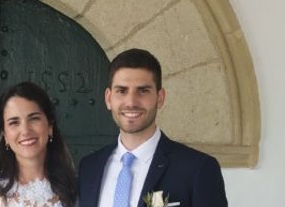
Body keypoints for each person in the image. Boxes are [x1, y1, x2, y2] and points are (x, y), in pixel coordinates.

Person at [78, 48, 227, 207]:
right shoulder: (89, 167)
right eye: (121, 91)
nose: (131, 102)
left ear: (160, 98)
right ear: (108, 98)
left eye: (143, 91)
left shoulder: (197, 169)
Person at [0, 81, 77, 207]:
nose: (26, 131)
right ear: (4, 135)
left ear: (50, 126)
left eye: (34, 118)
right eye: (14, 122)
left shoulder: (77, 189)